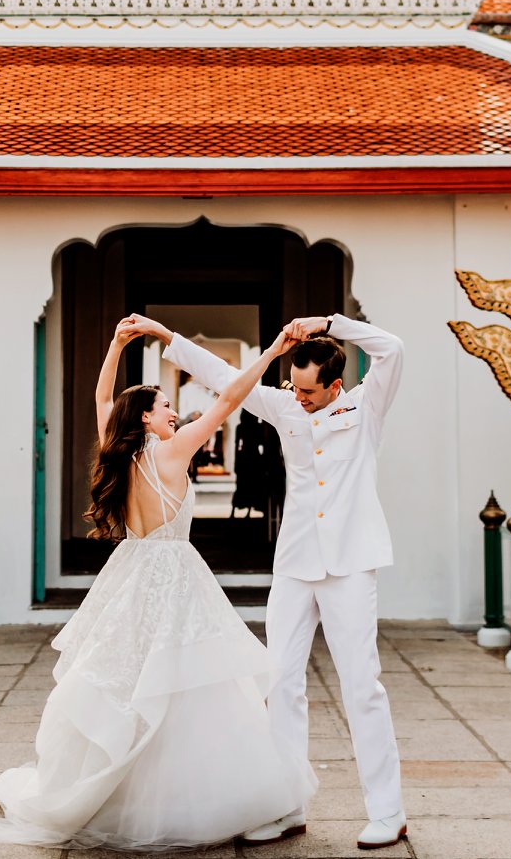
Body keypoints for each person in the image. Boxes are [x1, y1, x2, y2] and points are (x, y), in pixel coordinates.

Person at [0, 318, 312, 851]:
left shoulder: (117, 451)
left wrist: (116, 344)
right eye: (165, 406)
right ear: (145, 416)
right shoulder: (174, 450)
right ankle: (204, 797)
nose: (175, 412)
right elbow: (231, 397)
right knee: (189, 682)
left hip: (130, 573)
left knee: (129, 681)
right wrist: (273, 351)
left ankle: (123, 791)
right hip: (175, 576)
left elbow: (103, 398)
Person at [142, 312, 408, 851]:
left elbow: (393, 348)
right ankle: (286, 807)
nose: (300, 398)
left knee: (362, 685)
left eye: (309, 391)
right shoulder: (284, 406)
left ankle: (388, 811)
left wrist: (330, 322)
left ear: (335, 385)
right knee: (281, 683)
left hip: (351, 562)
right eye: (295, 388)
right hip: (295, 563)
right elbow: (224, 377)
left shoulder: (367, 404)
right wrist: (168, 338)